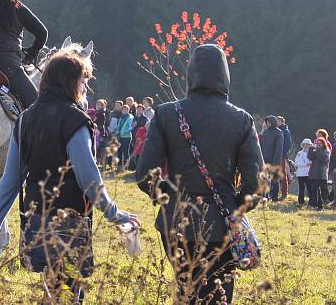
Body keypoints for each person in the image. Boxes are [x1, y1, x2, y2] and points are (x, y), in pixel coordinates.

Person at [0, 50, 138, 302]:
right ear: (71, 82)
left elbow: (10, 180)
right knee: (69, 294)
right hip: (68, 222)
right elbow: (89, 179)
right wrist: (116, 214)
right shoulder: (75, 120)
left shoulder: (25, 119)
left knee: (53, 290)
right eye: (83, 81)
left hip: (36, 219)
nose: (85, 88)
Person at [136, 44, 264, 305]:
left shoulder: (166, 114)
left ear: (190, 74)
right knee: (218, 294)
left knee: (186, 291)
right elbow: (255, 185)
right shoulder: (241, 120)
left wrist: (167, 194)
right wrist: (234, 208)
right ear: (225, 75)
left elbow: (143, 175)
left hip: (176, 221)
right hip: (223, 223)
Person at [260, 115, 283, 201]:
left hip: (274, 159)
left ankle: (275, 197)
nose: (267, 123)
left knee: (274, 179)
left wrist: (276, 162)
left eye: (269, 122)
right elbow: (262, 145)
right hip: (264, 158)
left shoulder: (278, 133)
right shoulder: (265, 132)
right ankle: (264, 196)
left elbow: (279, 149)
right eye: (267, 122)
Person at [307, 138, 330, 210]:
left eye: (320, 143)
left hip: (321, 174)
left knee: (314, 188)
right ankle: (320, 207)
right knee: (316, 190)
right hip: (314, 173)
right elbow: (309, 157)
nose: (318, 145)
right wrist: (311, 148)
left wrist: (318, 149)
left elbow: (322, 159)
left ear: (324, 144)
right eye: (317, 143)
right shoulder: (316, 150)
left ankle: (315, 205)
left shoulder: (326, 151)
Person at [294, 139, 312, 206]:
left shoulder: (311, 153)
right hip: (300, 173)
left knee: (309, 188)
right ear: (302, 145)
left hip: (308, 173)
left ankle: (311, 201)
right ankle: (301, 201)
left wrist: (306, 164)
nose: (306, 146)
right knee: (301, 188)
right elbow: (296, 162)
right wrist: (306, 164)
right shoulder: (299, 153)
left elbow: (311, 162)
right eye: (304, 144)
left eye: (307, 144)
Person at [277, 116, 291, 198]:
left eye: (279, 121)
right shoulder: (275, 131)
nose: (277, 123)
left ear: (283, 122)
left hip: (282, 156)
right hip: (274, 155)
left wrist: (283, 155)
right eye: (277, 121)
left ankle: (284, 193)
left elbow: (287, 144)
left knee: (282, 174)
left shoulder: (286, 131)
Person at [117, 104, 133, 169]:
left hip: (127, 137)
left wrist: (124, 132)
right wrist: (117, 131)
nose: (124, 111)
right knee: (119, 151)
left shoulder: (130, 117)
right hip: (120, 136)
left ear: (128, 110)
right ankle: (119, 165)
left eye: (125, 110)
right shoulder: (121, 117)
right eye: (123, 109)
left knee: (126, 151)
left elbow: (131, 127)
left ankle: (126, 167)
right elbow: (119, 126)